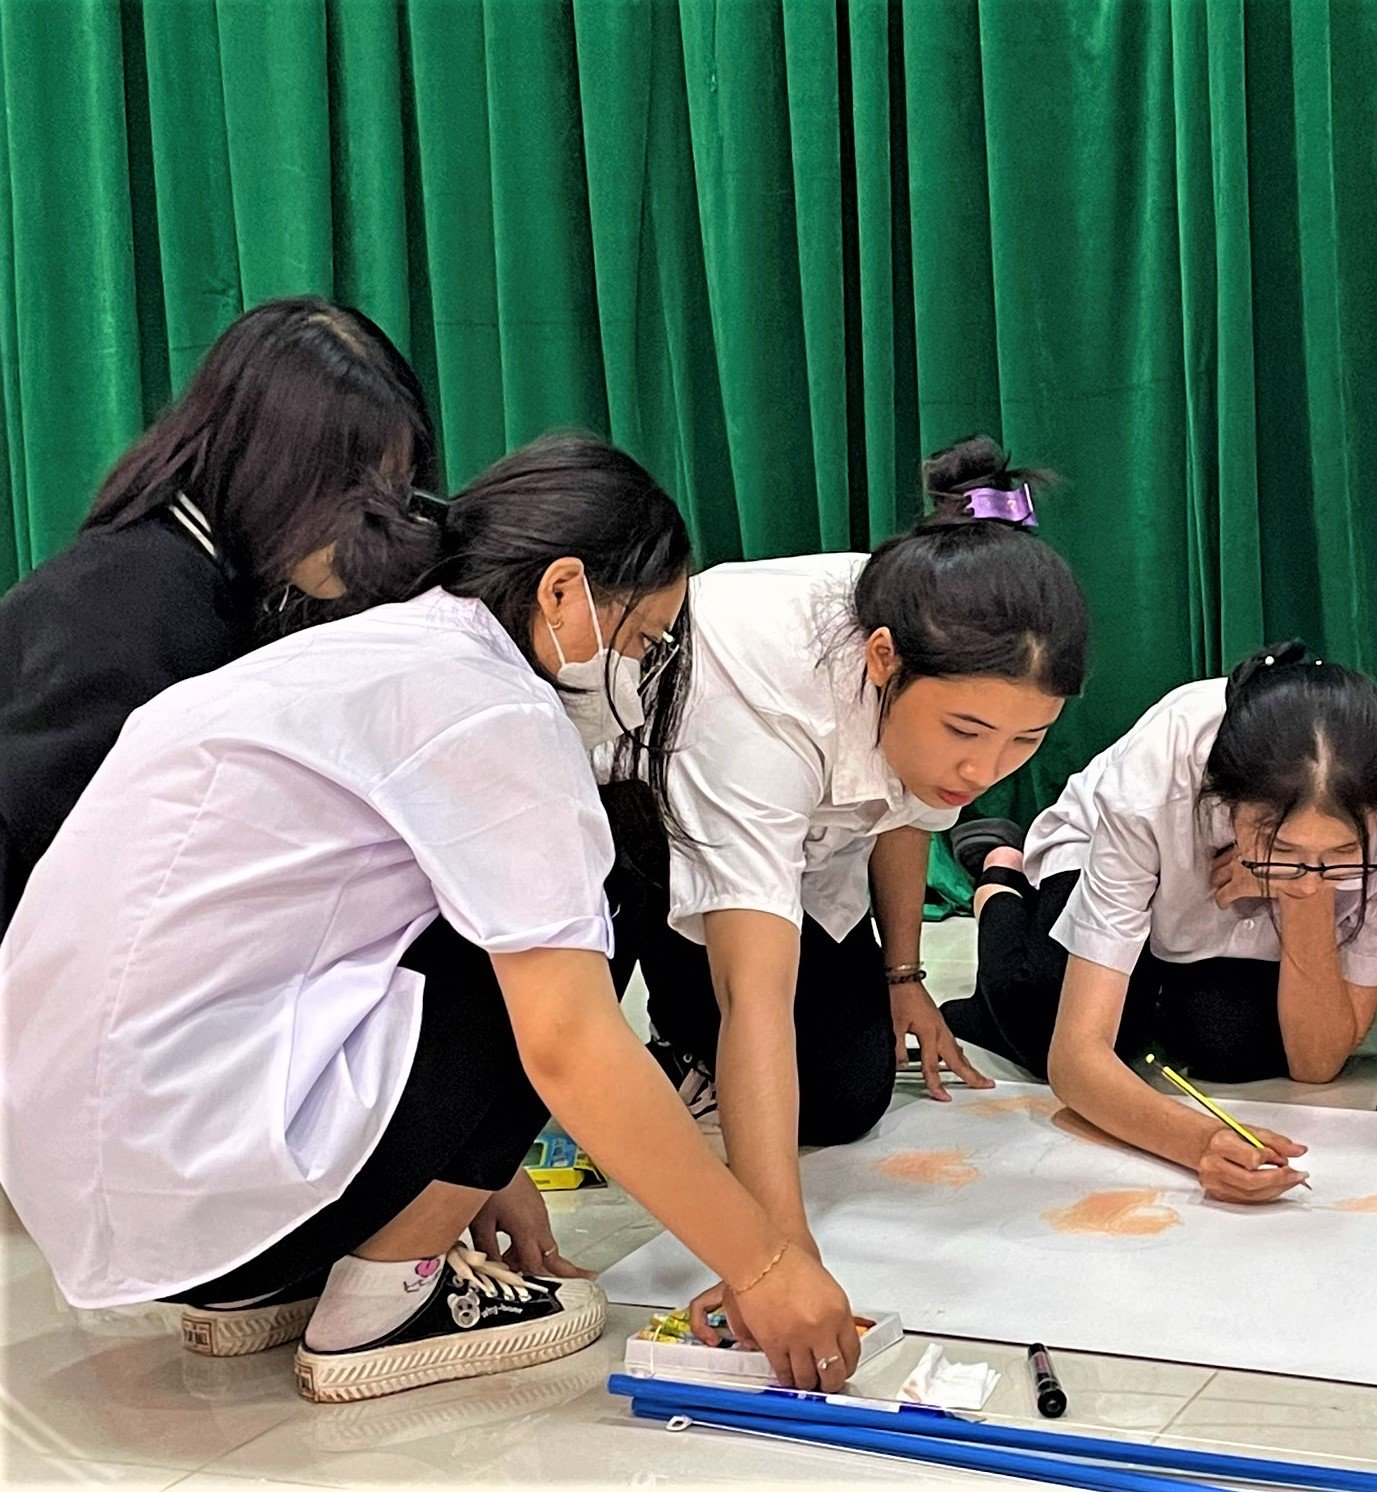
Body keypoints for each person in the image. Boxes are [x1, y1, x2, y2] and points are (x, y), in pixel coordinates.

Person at [0, 434, 855, 1403]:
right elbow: (567, 1043)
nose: (642, 668)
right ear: (563, 590)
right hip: (197, 1167)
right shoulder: (493, 708)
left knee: (507, 917)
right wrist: (764, 1267)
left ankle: (274, 1279)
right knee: (590, 899)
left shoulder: (358, 652)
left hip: (85, 1174)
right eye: (643, 639)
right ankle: (389, 1295)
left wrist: (470, 1167)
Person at [607, 436, 1088, 1339]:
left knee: (843, 1097)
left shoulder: (949, 642)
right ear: (881, 659)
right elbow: (754, 992)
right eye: (966, 732)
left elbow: (908, 809)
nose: (983, 768)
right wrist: (775, 1257)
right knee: (731, 1019)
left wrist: (903, 976)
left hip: (812, 847)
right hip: (641, 827)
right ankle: (677, 1039)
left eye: (1024, 741)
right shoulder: (756, 706)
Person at [941, 643, 1377, 1202]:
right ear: (1225, 803)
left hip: (1242, 891)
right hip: (1108, 852)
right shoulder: (1155, 783)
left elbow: (1318, 1062)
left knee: (1233, 1045)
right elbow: (1076, 1058)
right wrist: (1200, 1143)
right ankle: (1000, 877)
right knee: (1040, 1022)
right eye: (1282, 845)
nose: (1313, 878)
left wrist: (1290, 885)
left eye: (1343, 852)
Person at [0, 296, 439, 931]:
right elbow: (83, 881)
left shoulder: (201, 569)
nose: (378, 526)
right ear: (271, 470)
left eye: (394, 492)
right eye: (352, 494)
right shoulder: (142, 611)